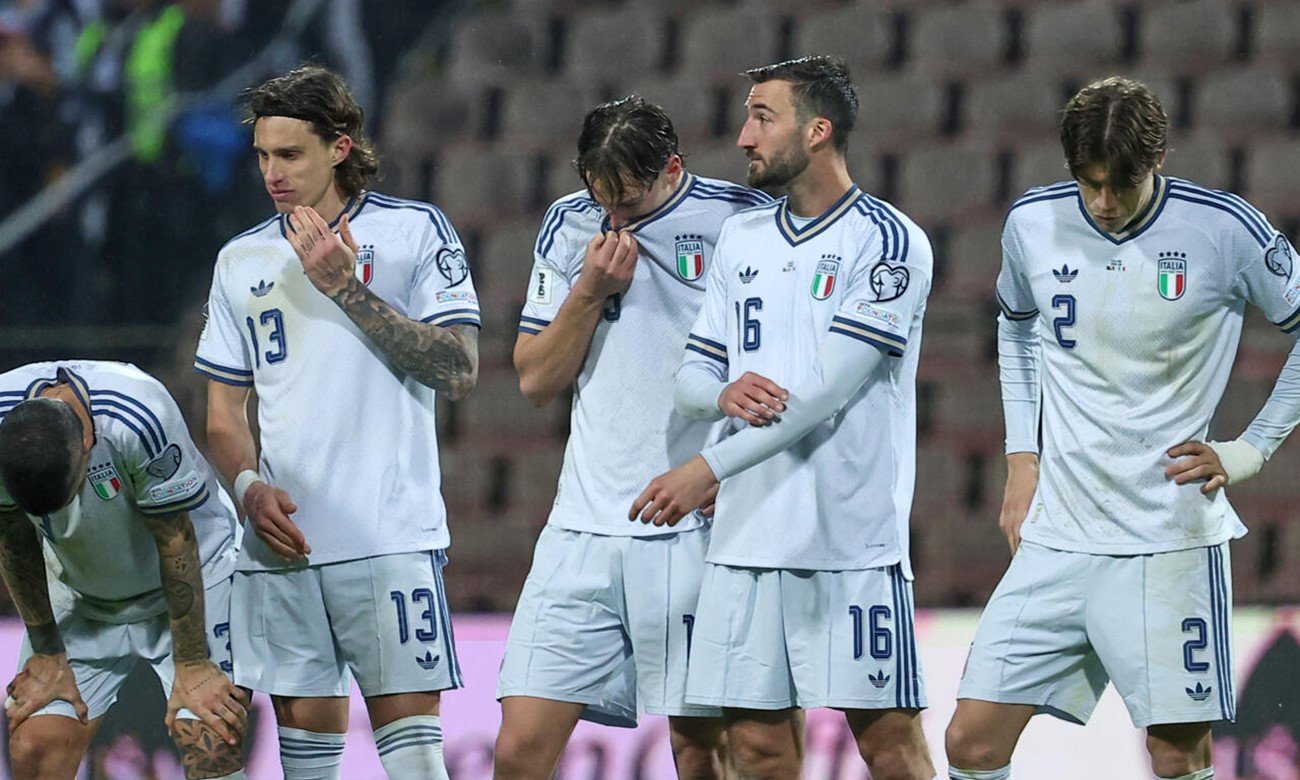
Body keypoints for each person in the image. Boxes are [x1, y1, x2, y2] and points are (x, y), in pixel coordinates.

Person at [944, 76, 1300, 780]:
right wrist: (1022, 457)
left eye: (1121, 184)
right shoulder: (1033, 223)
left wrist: (1250, 449)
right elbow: (1015, 328)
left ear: (1160, 156)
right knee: (970, 745)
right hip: (1060, 535)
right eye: (1089, 183)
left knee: (1177, 755)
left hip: (1168, 541)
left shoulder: (1223, 229)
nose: (1103, 202)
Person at [630, 55, 937, 779]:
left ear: (819, 130)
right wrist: (721, 395)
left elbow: (825, 396)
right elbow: (692, 380)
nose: (743, 136)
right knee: (759, 750)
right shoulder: (742, 239)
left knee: (891, 746)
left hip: (849, 542)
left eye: (763, 117)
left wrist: (706, 466)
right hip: (745, 540)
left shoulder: (888, 243)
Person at [194, 65, 479, 780]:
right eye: (263, 156)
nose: (272, 173)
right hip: (282, 545)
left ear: (340, 147)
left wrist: (345, 288)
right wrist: (250, 487)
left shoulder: (415, 231)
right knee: (305, 765)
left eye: (289, 155)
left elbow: (460, 369)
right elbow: (224, 413)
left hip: (388, 538)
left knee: (415, 762)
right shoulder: (240, 261)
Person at [493, 95, 771, 779]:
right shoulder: (568, 224)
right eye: (601, 197)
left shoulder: (744, 224)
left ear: (673, 167)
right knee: (519, 749)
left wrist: (733, 469)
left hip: (695, 525)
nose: (613, 217)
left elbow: (786, 373)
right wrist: (588, 291)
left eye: (630, 200)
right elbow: (534, 379)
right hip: (582, 526)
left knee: (700, 748)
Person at [0, 360, 246, 779]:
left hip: (196, 575)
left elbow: (175, 540)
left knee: (209, 741)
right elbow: (12, 535)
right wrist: (46, 652)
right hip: (82, 594)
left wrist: (192, 664)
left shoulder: (138, 414)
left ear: (88, 441)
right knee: (33, 748)